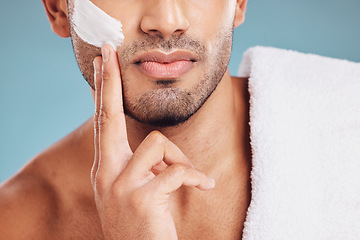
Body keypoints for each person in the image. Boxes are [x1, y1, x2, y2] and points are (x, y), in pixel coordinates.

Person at [0, 0, 251, 239]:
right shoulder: (12, 226)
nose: (167, 22)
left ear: (238, 3)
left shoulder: (292, 114)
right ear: (60, 10)